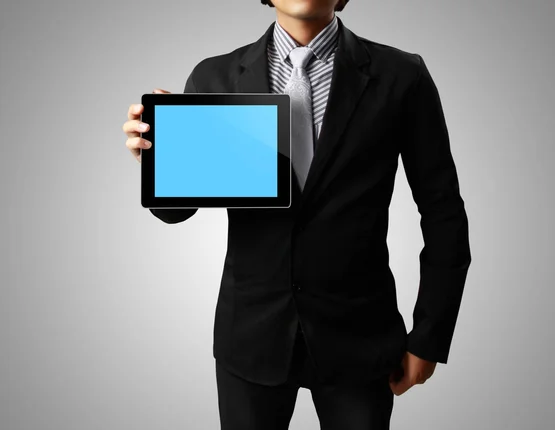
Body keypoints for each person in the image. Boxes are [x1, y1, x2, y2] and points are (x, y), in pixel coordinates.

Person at [122, 1, 472, 428]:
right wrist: (157, 161)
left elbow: (443, 213)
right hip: (250, 336)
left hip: (360, 335)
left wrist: (429, 336)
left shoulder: (401, 76)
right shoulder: (216, 76)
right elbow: (176, 211)